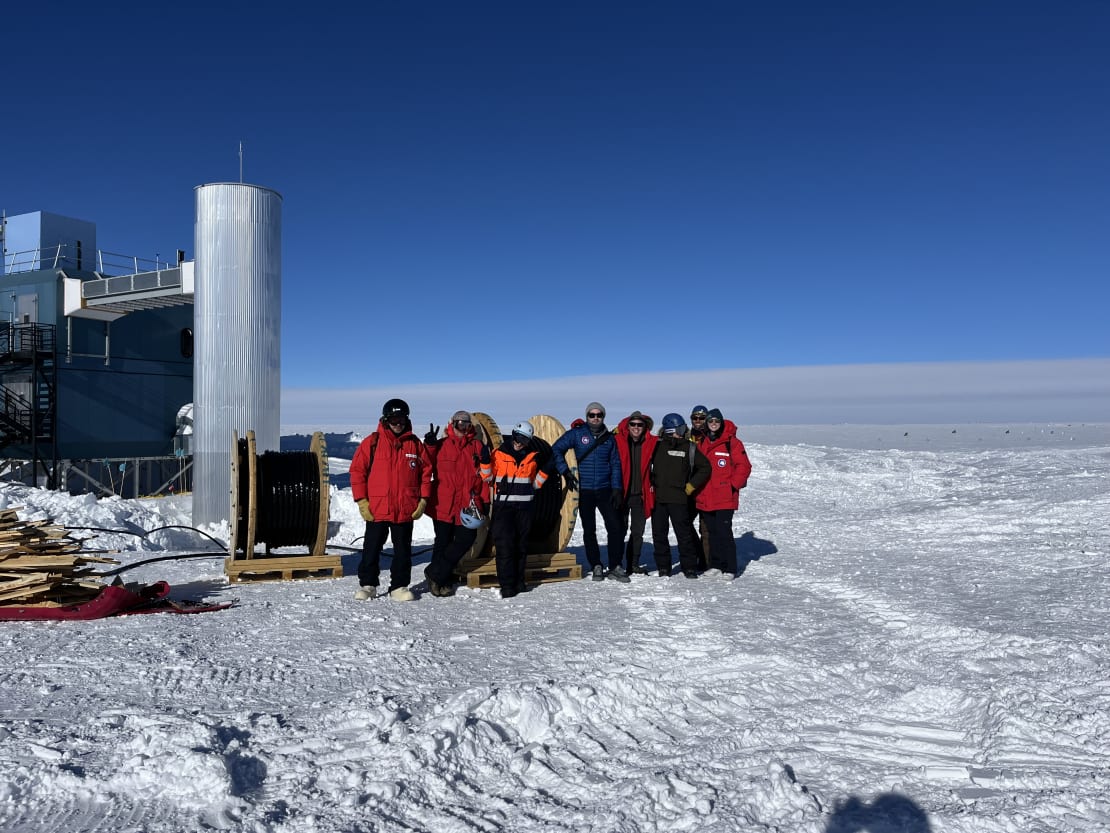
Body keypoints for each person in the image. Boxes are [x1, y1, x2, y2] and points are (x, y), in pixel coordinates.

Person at [350, 398, 432, 602]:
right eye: (394, 419)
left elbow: (425, 472)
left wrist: (423, 499)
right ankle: (368, 585)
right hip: (377, 508)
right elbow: (357, 471)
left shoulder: (414, 444)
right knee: (371, 549)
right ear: (386, 420)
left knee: (403, 550)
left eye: (402, 419)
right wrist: (362, 501)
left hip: (405, 508)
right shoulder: (373, 442)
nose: (398, 423)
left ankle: (399, 586)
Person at [549, 402, 628, 582]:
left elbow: (615, 464)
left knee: (615, 527)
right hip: (583, 490)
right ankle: (596, 565)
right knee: (589, 529)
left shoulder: (609, 439)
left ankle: (616, 565)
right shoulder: (577, 435)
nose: (595, 418)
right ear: (587, 416)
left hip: (605, 489)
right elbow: (556, 449)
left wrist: (616, 488)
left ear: (603, 417)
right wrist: (565, 472)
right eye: (592, 415)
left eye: (599, 415)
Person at [423, 410, 492, 597]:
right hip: (443, 503)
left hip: (467, 505)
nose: (462, 427)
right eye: (459, 423)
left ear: (470, 427)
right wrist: (428, 445)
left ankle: (434, 573)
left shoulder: (477, 447)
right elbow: (425, 464)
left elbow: (485, 479)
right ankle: (442, 581)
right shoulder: (441, 445)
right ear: (452, 424)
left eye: (466, 424)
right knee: (443, 542)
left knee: (465, 540)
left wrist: (484, 502)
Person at [490, 421, 549, 598]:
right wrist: (485, 462)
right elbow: (486, 477)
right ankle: (507, 585)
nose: (519, 442)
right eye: (517, 437)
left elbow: (536, 484)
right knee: (505, 547)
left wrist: (545, 471)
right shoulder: (498, 454)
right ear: (513, 435)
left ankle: (519, 581)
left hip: (525, 509)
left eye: (524, 440)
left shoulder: (533, 457)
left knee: (521, 547)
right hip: (504, 509)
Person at [649, 413, 711, 578]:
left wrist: (691, 485)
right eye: (681, 428)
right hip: (659, 499)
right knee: (659, 535)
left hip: (679, 499)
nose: (684, 431)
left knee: (684, 535)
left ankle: (689, 567)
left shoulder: (689, 447)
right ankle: (664, 567)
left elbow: (705, 467)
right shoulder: (656, 446)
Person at [695, 408, 752, 579]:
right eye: (711, 422)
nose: (713, 425)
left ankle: (730, 568)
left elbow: (744, 466)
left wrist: (732, 485)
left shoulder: (732, 443)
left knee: (724, 531)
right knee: (711, 532)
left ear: (721, 423)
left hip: (724, 496)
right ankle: (716, 565)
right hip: (706, 495)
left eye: (716, 422)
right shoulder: (703, 442)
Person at [613, 410, 657, 574]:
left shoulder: (651, 442)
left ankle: (633, 563)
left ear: (644, 427)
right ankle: (616, 563)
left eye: (640, 425)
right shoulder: (617, 440)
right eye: (633, 424)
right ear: (628, 425)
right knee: (619, 530)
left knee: (637, 532)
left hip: (640, 495)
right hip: (621, 494)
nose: (636, 427)